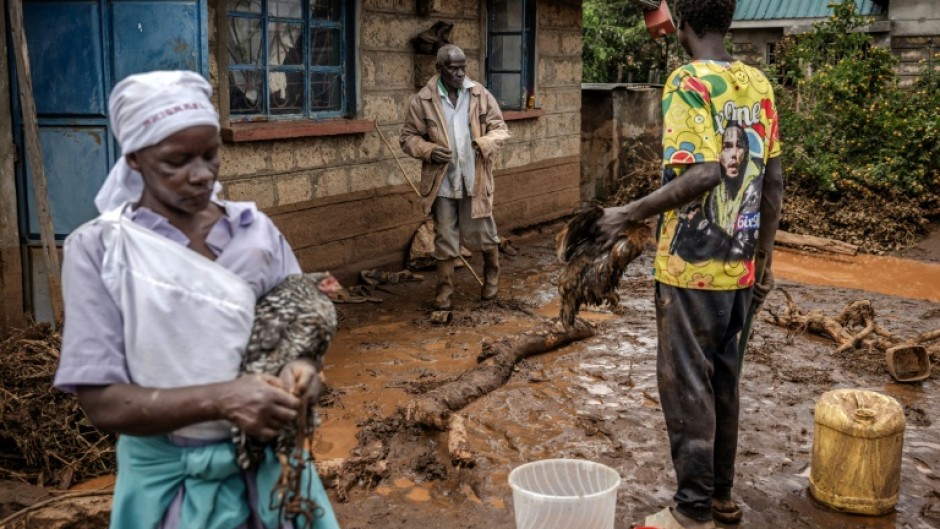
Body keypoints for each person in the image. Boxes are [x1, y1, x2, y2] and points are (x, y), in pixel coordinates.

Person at [53, 70, 340, 529]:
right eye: (176, 161)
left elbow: (296, 337)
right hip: (170, 489)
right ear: (133, 160)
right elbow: (103, 402)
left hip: (272, 473)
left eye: (210, 155)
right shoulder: (102, 250)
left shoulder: (254, 232)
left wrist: (299, 376)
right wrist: (224, 399)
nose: (201, 175)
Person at [596, 0, 784, 527]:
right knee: (725, 380)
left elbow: (702, 175)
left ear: (685, 23)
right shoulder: (759, 84)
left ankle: (691, 510)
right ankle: (721, 497)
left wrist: (625, 213)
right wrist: (763, 257)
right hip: (742, 264)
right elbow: (772, 183)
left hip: (690, 266)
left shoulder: (688, 82)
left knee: (686, 383)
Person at [400, 44, 511, 310]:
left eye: (463, 67)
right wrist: (427, 149)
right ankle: (444, 292)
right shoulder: (423, 100)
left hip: (475, 178)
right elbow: (407, 138)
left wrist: (483, 143)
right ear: (440, 69)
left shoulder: (479, 94)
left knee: (485, 234)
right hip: (442, 182)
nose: (460, 73)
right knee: (445, 238)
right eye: (453, 68)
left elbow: (500, 129)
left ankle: (492, 280)